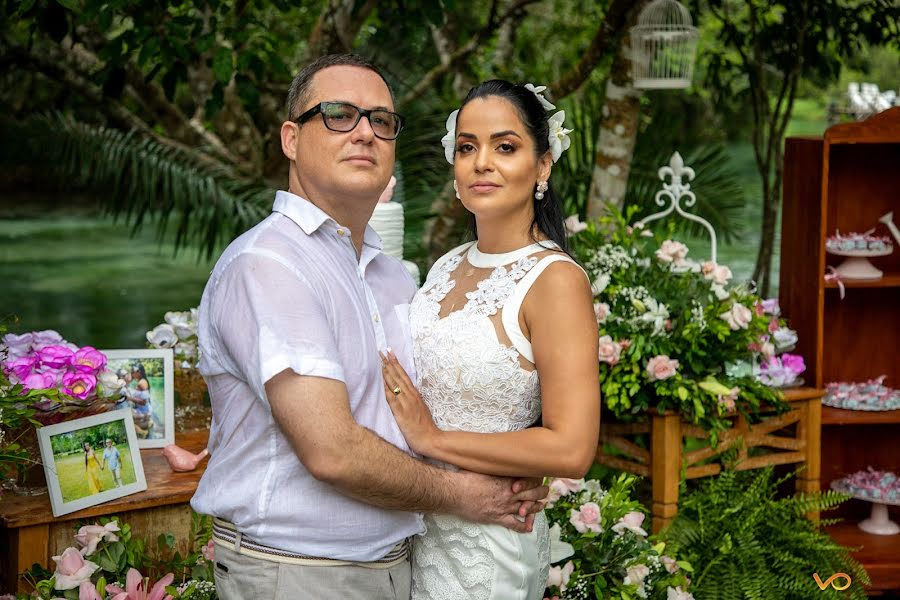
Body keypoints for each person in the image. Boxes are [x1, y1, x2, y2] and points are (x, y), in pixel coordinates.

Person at [190, 54, 548, 600]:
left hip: (406, 565)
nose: (364, 132)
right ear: (291, 138)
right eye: (338, 114)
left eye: (381, 121)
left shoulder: (393, 277)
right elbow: (331, 450)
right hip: (299, 572)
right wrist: (461, 495)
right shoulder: (268, 263)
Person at [380, 79, 600, 599]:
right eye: (467, 147)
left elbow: (571, 448)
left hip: (491, 543)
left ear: (542, 165)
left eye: (505, 147)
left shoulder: (554, 280)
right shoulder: (444, 267)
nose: (482, 162)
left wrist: (433, 440)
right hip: (421, 528)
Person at [125, 363, 153, 437]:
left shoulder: (142, 383)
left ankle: (144, 427)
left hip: (144, 411)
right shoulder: (141, 381)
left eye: (132, 372)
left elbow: (144, 402)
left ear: (139, 372)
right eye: (131, 372)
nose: (131, 374)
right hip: (143, 409)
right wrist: (131, 379)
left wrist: (128, 398)